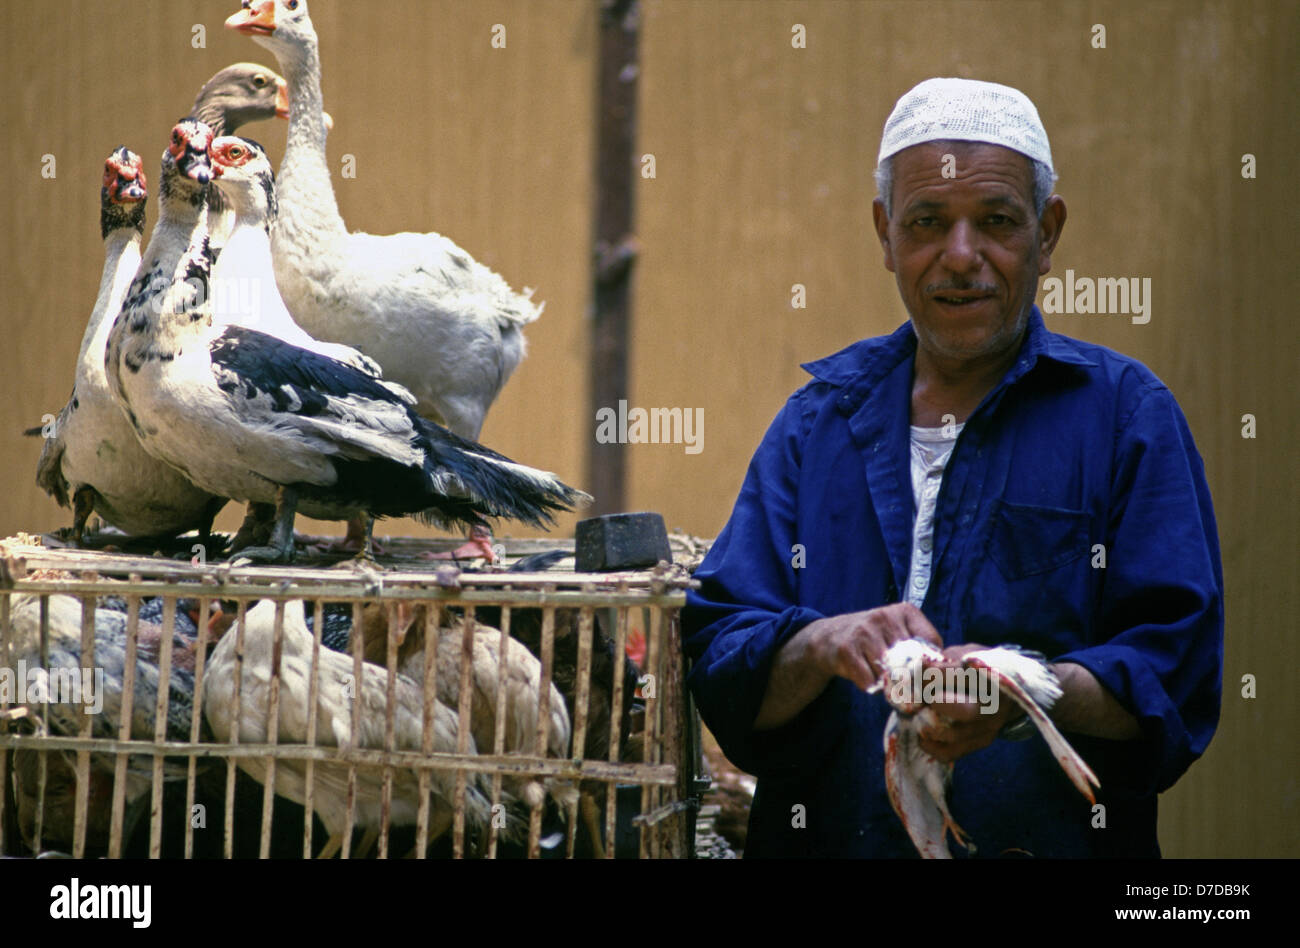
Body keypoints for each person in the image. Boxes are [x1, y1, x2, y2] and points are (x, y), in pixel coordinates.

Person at [682, 77, 1224, 858]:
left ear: (1048, 234)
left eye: (997, 222)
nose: (961, 256)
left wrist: (1023, 693)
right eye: (928, 222)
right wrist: (824, 642)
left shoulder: (1125, 417)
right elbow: (722, 657)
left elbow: (1175, 676)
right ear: (885, 234)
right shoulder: (816, 422)